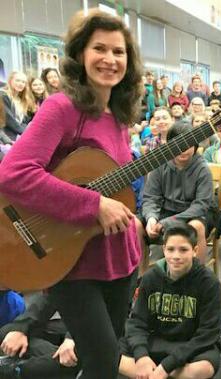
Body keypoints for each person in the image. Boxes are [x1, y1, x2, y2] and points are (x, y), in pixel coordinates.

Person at [0, 9, 143, 379]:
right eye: (100, 48)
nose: (110, 59)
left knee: (106, 362)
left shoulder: (119, 115)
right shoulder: (61, 107)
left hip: (117, 258)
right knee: (100, 359)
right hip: (72, 263)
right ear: (80, 53)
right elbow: (13, 173)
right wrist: (93, 203)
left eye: (119, 51)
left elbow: (108, 176)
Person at [118, 223, 221, 379]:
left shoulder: (209, 282)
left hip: (190, 344)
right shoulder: (150, 277)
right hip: (156, 340)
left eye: (183, 250)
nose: (176, 256)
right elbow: (137, 322)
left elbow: (208, 333)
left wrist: (167, 366)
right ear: (164, 249)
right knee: (110, 352)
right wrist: (141, 356)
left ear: (194, 251)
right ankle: (157, 372)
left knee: (203, 369)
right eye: (170, 249)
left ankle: (152, 374)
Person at [141, 121, 217, 262]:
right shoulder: (160, 164)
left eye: (188, 144)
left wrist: (169, 222)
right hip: (165, 212)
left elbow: (201, 206)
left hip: (192, 215)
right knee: (136, 224)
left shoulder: (202, 169)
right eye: (177, 145)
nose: (183, 150)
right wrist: (151, 218)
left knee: (197, 226)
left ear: (195, 146)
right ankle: (143, 278)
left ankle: (197, 277)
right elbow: (151, 197)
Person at [0, 293, 80, 379]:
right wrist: (20, 328)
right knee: (9, 332)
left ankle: (16, 371)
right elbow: (49, 298)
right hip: (70, 327)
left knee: (72, 357)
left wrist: (72, 338)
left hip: (90, 333)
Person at [1, 71, 34, 141]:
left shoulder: (20, 99)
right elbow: (9, 120)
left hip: (18, 134)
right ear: (10, 81)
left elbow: (24, 121)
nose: (20, 84)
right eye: (17, 80)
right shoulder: (3, 96)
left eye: (23, 82)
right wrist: (27, 133)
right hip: (6, 137)